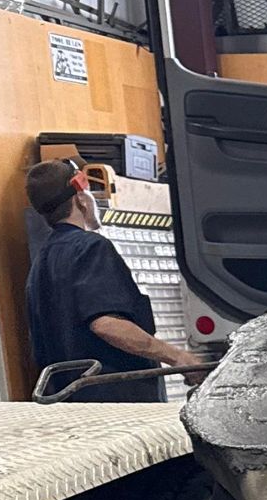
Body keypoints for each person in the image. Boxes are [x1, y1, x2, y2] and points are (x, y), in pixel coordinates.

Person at [23, 159, 203, 381]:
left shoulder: (41, 261)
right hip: (115, 400)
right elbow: (106, 325)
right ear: (80, 198)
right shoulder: (91, 247)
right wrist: (178, 357)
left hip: (68, 402)